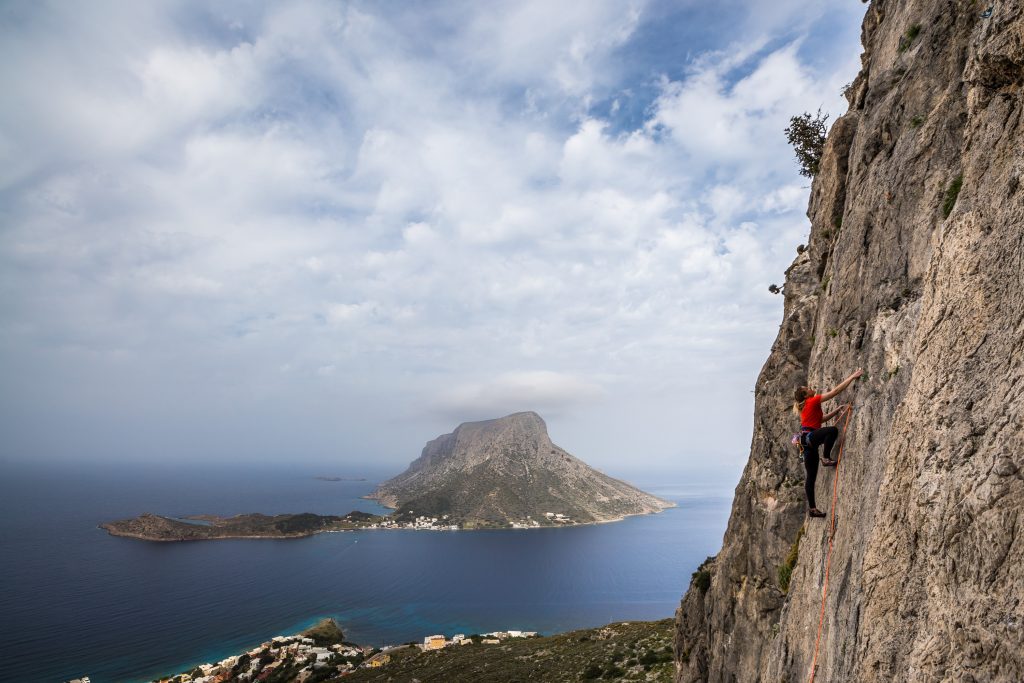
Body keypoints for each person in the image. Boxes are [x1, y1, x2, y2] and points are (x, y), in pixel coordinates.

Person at [793, 369, 862, 518]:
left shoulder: (806, 406)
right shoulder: (812, 400)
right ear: (806, 395)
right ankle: (825, 457)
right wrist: (852, 376)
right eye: (807, 389)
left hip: (806, 442)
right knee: (832, 431)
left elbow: (820, 420)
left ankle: (812, 509)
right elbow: (835, 391)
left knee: (811, 477)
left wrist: (836, 411)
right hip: (810, 438)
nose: (811, 388)